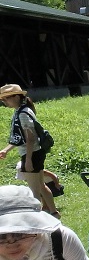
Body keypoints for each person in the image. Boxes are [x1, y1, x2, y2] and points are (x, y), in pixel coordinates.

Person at [0, 84, 58, 216]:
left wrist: (28, 160)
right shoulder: (21, 110)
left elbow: (30, 138)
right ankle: (54, 213)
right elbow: (21, 138)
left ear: (16, 97)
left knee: (34, 192)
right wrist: (6, 150)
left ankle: (37, 219)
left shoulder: (22, 114)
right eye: (2, 100)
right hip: (35, 153)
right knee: (41, 186)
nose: (4, 102)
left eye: (6, 99)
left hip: (31, 154)